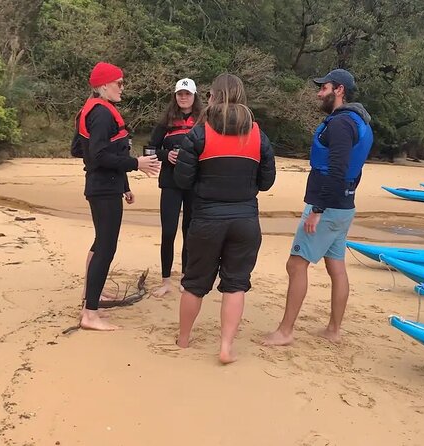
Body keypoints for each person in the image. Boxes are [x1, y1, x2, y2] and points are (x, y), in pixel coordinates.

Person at [264, 68, 373, 346]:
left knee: (296, 264)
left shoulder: (340, 124)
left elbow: (338, 169)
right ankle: (334, 330)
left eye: (324, 88)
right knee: (336, 266)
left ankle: (285, 331)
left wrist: (317, 209)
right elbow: (353, 171)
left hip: (327, 208)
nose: (318, 93)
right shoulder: (357, 121)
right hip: (344, 206)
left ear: (339, 90)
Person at [173, 73, 276, 364]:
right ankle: (226, 346)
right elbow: (267, 181)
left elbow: (183, 179)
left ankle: (183, 339)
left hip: (207, 218)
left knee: (194, 282)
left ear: (212, 97)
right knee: (236, 283)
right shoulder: (257, 134)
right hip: (245, 219)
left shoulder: (199, 132)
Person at [71, 62, 161, 331]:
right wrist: (136, 164)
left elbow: (79, 149)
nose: (123, 87)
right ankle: (90, 314)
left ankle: (91, 295)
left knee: (101, 243)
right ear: (103, 86)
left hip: (104, 186)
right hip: (102, 187)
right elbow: (97, 155)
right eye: (119, 83)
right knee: (106, 248)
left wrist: (124, 184)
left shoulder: (92, 111)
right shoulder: (101, 114)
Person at [146, 78, 203, 297]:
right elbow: (150, 150)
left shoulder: (203, 121)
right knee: (168, 231)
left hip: (193, 182)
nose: (183, 97)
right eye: (180, 94)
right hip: (170, 182)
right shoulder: (165, 122)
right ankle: (165, 280)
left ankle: (187, 277)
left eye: (187, 94)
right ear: (175, 96)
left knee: (190, 231)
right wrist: (165, 154)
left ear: (194, 96)